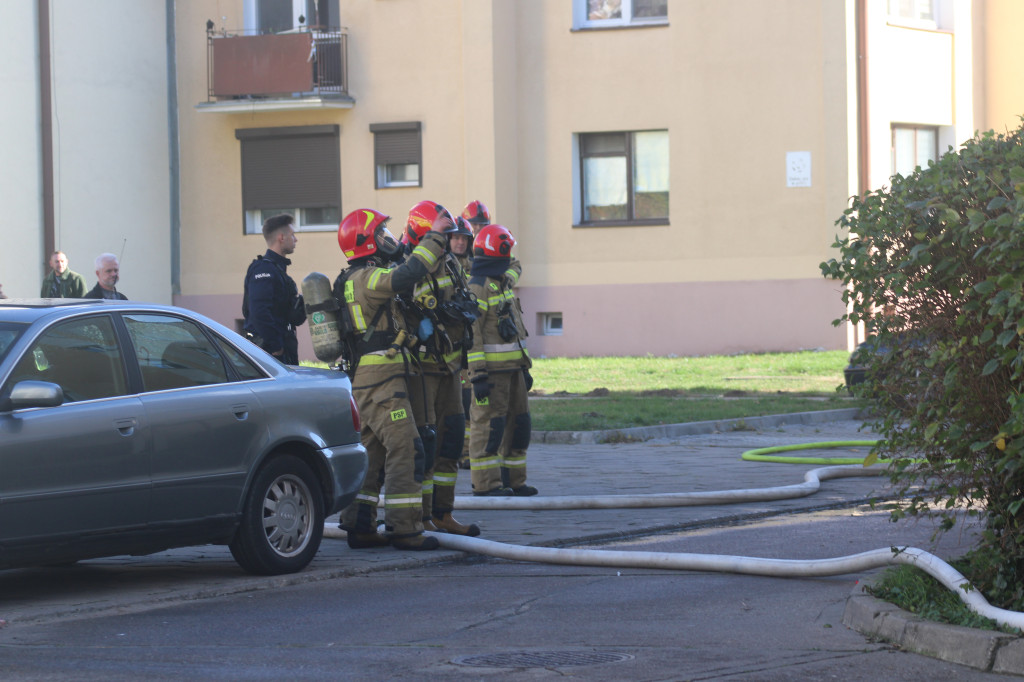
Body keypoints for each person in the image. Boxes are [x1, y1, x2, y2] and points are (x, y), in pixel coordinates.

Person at [334, 207, 450, 551]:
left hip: (372, 376)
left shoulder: (354, 278)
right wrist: (436, 235)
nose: (389, 238)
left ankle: (359, 523)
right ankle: (405, 528)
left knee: (373, 451)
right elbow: (407, 274)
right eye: (381, 233)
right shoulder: (367, 277)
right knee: (406, 447)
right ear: (367, 241)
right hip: (381, 376)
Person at [401, 202, 481, 537]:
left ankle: (444, 512)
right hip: (424, 368)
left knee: (451, 437)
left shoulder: (450, 262)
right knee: (428, 442)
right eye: (442, 234)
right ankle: (422, 516)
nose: (449, 240)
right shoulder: (410, 265)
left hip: (450, 365)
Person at [466, 224, 536, 496]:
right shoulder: (478, 287)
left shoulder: (500, 281)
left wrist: (524, 367)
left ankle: (514, 481)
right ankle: (486, 485)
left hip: (514, 370)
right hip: (491, 375)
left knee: (519, 425)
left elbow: (514, 326)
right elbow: (472, 334)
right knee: (489, 428)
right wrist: (478, 374)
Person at [242, 214, 306, 365]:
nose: (295, 239)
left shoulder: (278, 270)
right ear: (281, 237)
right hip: (269, 352)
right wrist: (275, 345)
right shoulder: (264, 269)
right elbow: (259, 311)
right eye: (292, 235)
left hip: (282, 348)